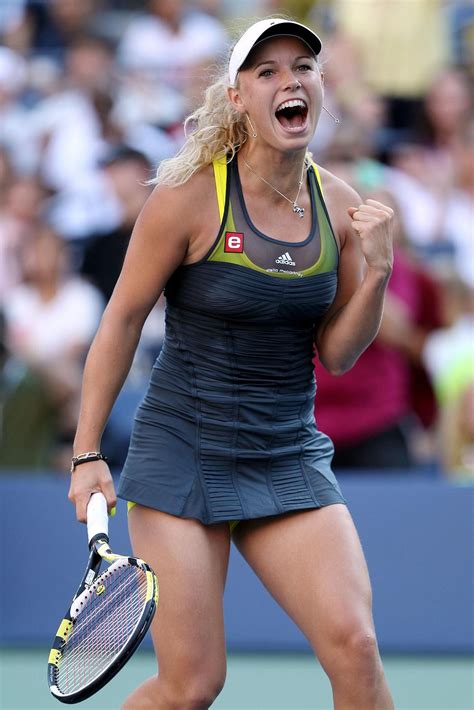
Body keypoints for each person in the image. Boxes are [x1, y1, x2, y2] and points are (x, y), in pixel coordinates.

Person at [69, 18, 395, 709]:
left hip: (286, 454)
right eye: (267, 71)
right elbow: (122, 319)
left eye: (302, 67)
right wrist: (86, 452)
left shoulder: (339, 205)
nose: (289, 81)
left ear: (319, 86)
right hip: (182, 450)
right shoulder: (187, 197)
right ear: (238, 97)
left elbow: (337, 355)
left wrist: (377, 276)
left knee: (358, 652)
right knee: (191, 686)